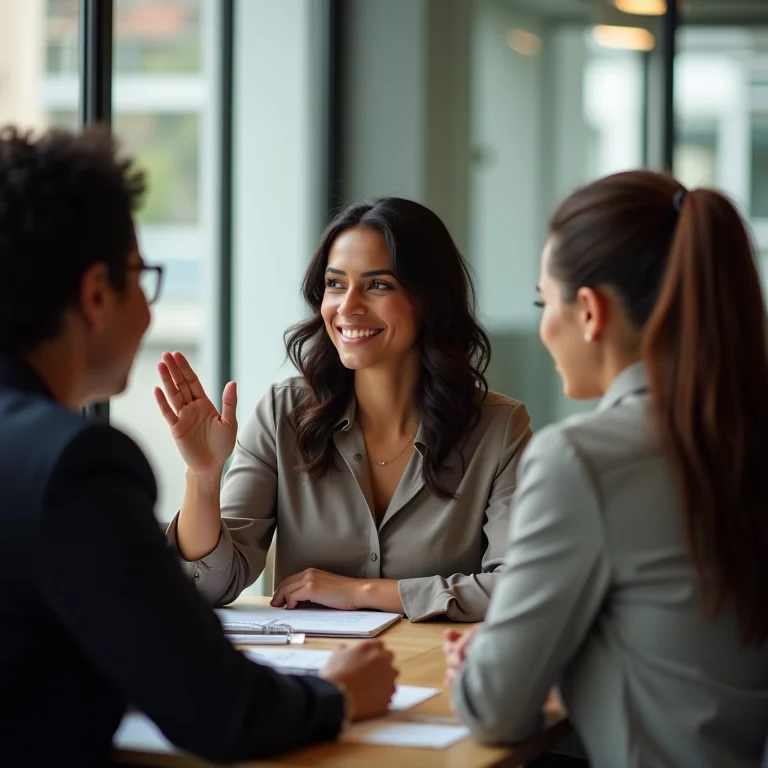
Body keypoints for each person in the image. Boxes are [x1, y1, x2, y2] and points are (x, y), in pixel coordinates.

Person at [0, 125, 397, 767]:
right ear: (98, 293)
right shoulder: (74, 467)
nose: (152, 314)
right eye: (143, 277)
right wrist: (338, 694)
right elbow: (221, 708)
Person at [444, 170, 768, 767]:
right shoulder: (742, 436)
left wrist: (487, 661)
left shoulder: (583, 460)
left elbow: (495, 709)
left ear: (589, 311)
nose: (544, 325)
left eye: (546, 301)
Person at [157, 197, 532, 622]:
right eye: (335, 284)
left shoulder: (499, 428)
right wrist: (203, 476)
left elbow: (519, 587)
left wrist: (363, 592)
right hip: (310, 679)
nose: (348, 306)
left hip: (435, 674)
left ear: (429, 300)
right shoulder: (282, 414)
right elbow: (208, 585)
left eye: (378, 285)